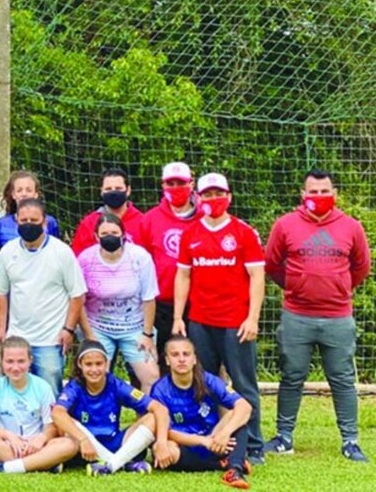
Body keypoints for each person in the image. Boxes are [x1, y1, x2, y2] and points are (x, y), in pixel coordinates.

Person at [263, 169, 371, 462]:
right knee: (292, 376)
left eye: (324, 192)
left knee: (343, 379)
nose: (319, 197)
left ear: (334, 194)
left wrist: (338, 288)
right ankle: (284, 437)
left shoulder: (351, 227)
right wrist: (297, 287)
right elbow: (271, 265)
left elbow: (361, 267)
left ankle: (350, 441)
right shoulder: (285, 224)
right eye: (313, 192)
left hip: (338, 317)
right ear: (303, 194)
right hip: (296, 316)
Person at [172, 172, 267, 464]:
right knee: (204, 382)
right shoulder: (191, 233)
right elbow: (183, 275)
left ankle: (252, 445)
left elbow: (257, 277)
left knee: (243, 383)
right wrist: (179, 317)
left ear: (229, 196)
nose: (214, 199)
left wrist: (252, 318)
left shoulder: (243, 232)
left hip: (235, 322)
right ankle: (211, 439)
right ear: (198, 198)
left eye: (219, 193)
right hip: (201, 321)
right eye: (208, 194)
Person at [0, 198, 85, 396]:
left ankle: (53, 427)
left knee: (50, 394)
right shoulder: (7, 252)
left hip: (50, 340)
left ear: (44, 223)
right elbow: (0, 292)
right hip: (17, 336)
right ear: (16, 221)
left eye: (34, 220)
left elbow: (77, 295)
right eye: (23, 220)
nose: (28, 225)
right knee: (11, 391)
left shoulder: (62, 252)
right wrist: (1, 327)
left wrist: (68, 329)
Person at [52, 340, 170, 476]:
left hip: (114, 442)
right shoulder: (75, 386)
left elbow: (160, 409)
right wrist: (83, 439)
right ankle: (123, 463)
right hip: (85, 446)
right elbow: (57, 413)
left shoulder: (116, 384)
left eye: (99, 364)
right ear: (80, 365)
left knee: (151, 418)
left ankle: (110, 465)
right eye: (88, 364)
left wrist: (161, 442)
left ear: (106, 364)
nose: (94, 370)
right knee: (66, 423)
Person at [152, 335, 254, 489]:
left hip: (214, 439)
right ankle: (221, 465)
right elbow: (165, 431)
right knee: (166, 450)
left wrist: (224, 433)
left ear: (194, 359)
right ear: (167, 360)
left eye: (186, 354)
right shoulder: (160, 389)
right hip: (184, 445)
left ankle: (234, 471)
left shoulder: (208, 380)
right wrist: (202, 441)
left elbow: (245, 407)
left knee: (238, 420)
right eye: (175, 355)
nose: (181, 359)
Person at [77, 213, 160, 392]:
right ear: (96, 236)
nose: (110, 237)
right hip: (97, 327)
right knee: (94, 377)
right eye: (104, 233)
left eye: (114, 232)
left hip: (135, 327)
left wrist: (147, 335)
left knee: (151, 377)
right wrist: (89, 334)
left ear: (123, 235)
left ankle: (147, 419)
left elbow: (148, 298)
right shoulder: (85, 259)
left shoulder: (140, 257)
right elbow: (79, 301)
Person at [0, 336, 77, 474]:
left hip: (37, 445)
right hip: (7, 444)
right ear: (1, 362)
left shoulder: (43, 387)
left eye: (21, 361)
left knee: (70, 444)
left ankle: (7, 467)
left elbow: (51, 427)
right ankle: (43, 464)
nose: (15, 367)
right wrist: (8, 436)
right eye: (9, 362)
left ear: (30, 361)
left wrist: (41, 439)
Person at [136, 161, 199, 370]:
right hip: (161, 304)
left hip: (199, 304)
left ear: (191, 184)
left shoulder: (204, 218)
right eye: (170, 183)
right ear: (162, 186)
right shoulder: (150, 220)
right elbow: (142, 262)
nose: (175, 188)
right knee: (165, 362)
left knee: (202, 362)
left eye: (180, 183)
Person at [71, 167, 145, 255]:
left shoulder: (143, 222)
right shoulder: (89, 224)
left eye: (118, 188)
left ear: (128, 190)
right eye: (108, 189)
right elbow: (78, 260)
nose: (113, 192)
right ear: (101, 191)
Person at [0, 170, 60, 247]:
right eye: (19, 190)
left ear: (36, 194)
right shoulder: (2, 224)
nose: (24, 194)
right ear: (13, 195)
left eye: (29, 190)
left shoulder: (50, 222)